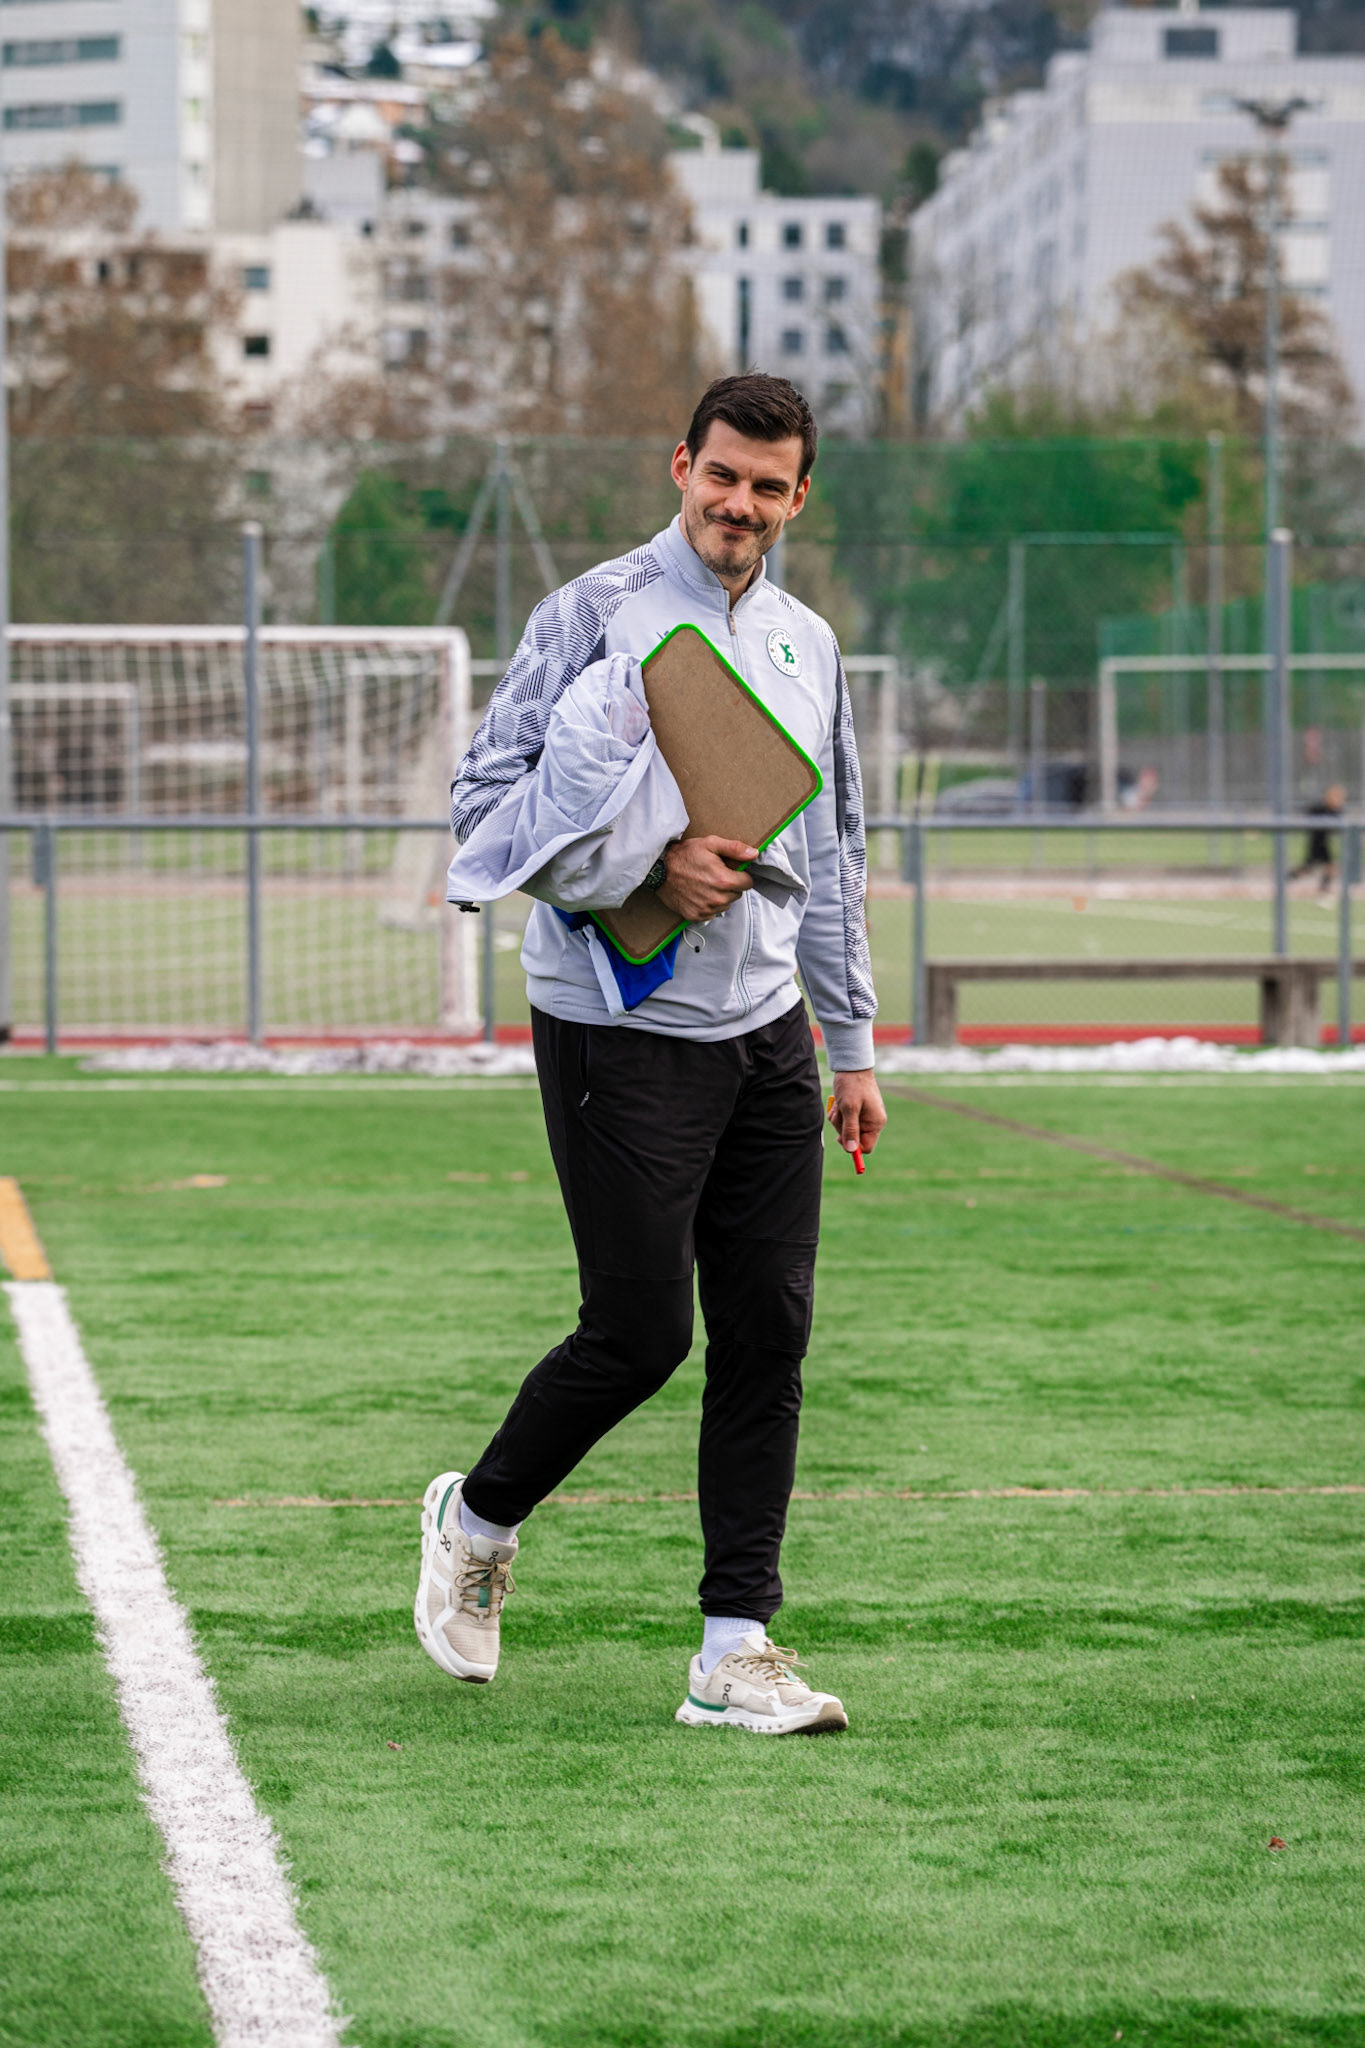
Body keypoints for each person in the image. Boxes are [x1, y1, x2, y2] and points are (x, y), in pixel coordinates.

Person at [413, 373, 886, 1736]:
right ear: (681, 465)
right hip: (613, 1027)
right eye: (721, 474)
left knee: (769, 1331)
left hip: (767, 1036)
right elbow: (482, 810)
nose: (741, 504)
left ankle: (735, 1649)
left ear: (800, 499)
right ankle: (477, 1516)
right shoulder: (590, 614)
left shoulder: (808, 643)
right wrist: (642, 867)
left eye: (768, 486)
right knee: (637, 1334)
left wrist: (850, 1042)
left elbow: (834, 848)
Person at [1290, 784, 1345, 894]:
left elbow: (1338, 827)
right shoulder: (1319, 808)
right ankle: (1286, 879)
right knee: (1307, 868)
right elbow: (1307, 816)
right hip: (1316, 842)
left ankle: (1323, 888)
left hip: (1325, 843)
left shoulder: (1336, 811)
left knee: (1330, 867)